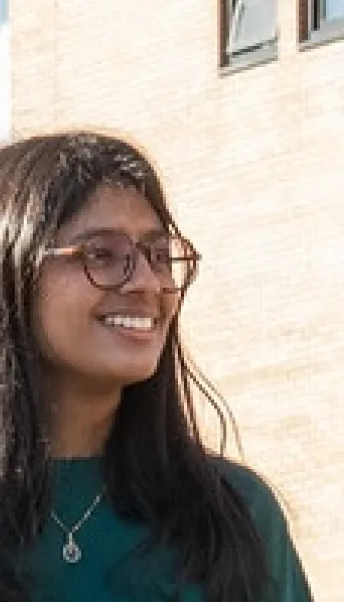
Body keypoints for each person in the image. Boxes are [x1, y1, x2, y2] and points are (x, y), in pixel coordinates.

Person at [0, 131, 313, 602]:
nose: (147, 283)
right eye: (101, 255)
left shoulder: (232, 514)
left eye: (159, 255)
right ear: (12, 270)